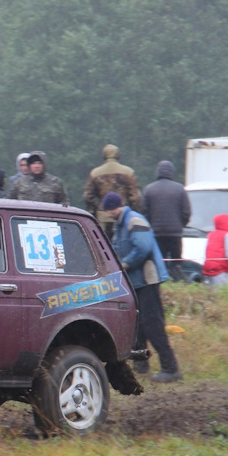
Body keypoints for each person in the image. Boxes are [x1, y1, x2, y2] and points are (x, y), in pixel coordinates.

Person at [103, 192, 181, 383]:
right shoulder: (121, 224)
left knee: (153, 325)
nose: (107, 215)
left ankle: (171, 369)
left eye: (107, 211)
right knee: (137, 325)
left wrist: (125, 264)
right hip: (135, 282)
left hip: (147, 280)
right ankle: (140, 365)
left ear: (114, 208)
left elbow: (143, 248)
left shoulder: (134, 220)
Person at [140, 160, 190, 280]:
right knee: (176, 263)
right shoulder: (180, 189)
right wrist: (180, 225)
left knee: (159, 262)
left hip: (156, 234)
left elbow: (144, 212)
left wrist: (151, 226)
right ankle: (178, 284)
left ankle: (161, 285)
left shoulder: (148, 189)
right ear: (172, 172)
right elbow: (186, 212)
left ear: (158, 172)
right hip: (175, 234)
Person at [84, 145, 141, 237]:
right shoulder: (128, 172)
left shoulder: (95, 173)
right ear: (118, 155)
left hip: (102, 217)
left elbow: (88, 196)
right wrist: (134, 213)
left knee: (103, 246)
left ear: (104, 155)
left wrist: (95, 211)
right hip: (123, 217)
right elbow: (135, 197)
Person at [202, 214, 228, 286]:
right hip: (220, 268)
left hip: (208, 265)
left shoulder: (211, 234)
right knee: (221, 291)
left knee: (211, 291)